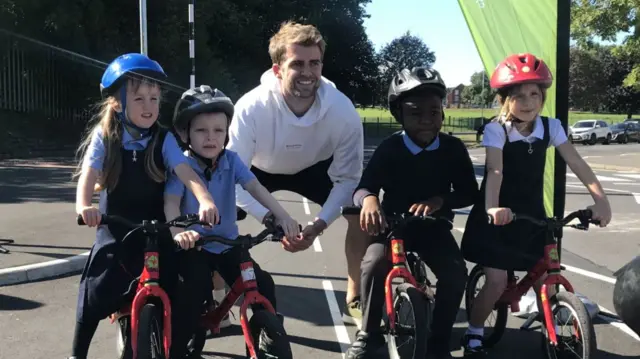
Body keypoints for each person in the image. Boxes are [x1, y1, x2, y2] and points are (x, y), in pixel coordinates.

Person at [460, 53, 612, 358]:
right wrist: (492, 208)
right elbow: (495, 171)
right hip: (499, 214)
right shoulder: (497, 130)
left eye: (534, 94)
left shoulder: (550, 127)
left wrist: (601, 199)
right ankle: (474, 331)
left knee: (546, 278)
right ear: (505, 99)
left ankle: (553, 326)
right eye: (518, 95)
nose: (528, 101)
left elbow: (577, 162)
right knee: (497, 281)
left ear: (542, 96)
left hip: (531, 214)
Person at [70, 53, 219, 359]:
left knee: (189, 279)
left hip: (156, 229)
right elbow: (89, 173)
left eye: (154, 98)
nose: (149, 107)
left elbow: (185, 171)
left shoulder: (163, 138)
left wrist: (205, 199)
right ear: (117, 103)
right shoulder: (106, 136)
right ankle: (77, 352)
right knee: (95, 291)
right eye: (139, 99)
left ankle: (182, 344)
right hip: (117, 229)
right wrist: (84, 205)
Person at [227, 20, 368, 326]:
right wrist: (271, 219)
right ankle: (217, 291)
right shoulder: (251, 108)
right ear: (277, 69)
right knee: (215, 206)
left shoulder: (343, 112)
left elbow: (348, 180)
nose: (307, 73)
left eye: (314, 63)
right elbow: (231, 178)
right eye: (297, 64)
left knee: (359, 208)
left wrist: (318, 226)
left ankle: (355, 294)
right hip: (258, 170)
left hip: (314, 166)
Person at [345, 67, 477, 359]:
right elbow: (364, 186)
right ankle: (369, 334)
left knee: (455, 275)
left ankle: (439, 341)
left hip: (434, 227)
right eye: (416, 113)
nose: (427, 121)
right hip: (394, 227)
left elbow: (469, 192)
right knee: (373, 264)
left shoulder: (453, 148)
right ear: (399, 115)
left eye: (434, 112)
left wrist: (440, 201)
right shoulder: (390, 148)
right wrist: (368, 200)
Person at [164, 85, 302, 357]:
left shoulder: (231, 160)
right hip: (196, 248)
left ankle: (265, 336)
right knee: (192, 296)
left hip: (227, 244)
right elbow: (170, 203)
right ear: (184, 133)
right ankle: (177, 351)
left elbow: (256, 188)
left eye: (219, 130)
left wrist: (284, 216)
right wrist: (178, 232)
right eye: (201, 130)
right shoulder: (182, 166)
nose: (211, 137)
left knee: (263, 284)